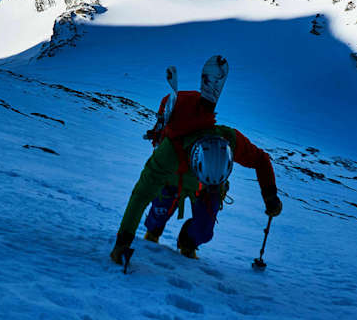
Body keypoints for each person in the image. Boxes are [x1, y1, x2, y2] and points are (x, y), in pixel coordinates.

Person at [109, 57, 282, 264]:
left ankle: (188, 241)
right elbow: (141, 195)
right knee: (156, 218)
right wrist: (123, 241)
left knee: (204, 231)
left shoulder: (230, 139)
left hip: (206, 189)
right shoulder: (169, 152)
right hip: (173, 181)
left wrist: (270, 194)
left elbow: (260, 160)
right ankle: (154, 233)